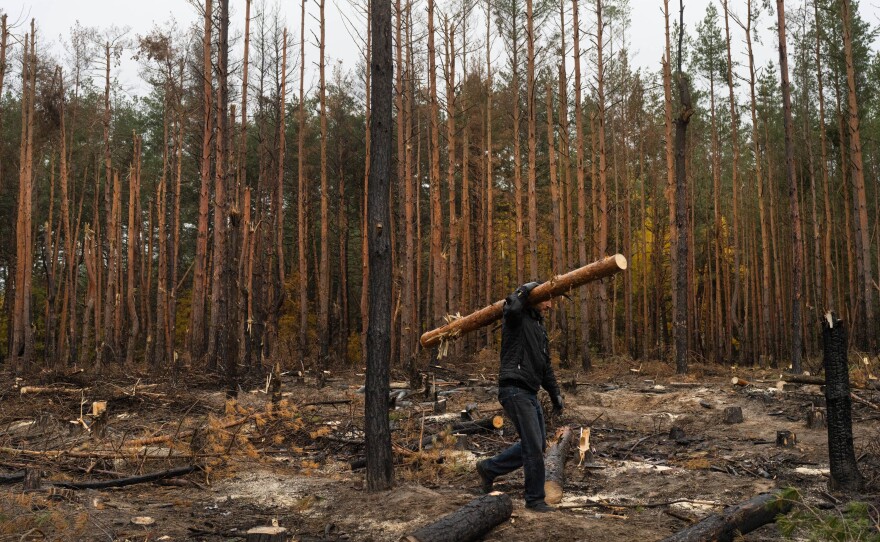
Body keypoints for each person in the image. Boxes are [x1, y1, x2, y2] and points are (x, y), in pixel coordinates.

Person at [476, 281, 564, 512]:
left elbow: (545, 367)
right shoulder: (515, 318)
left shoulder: (538, 328)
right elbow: (513, 306)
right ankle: (534, 499)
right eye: (547, 299)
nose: (550, 305)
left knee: (537, 444)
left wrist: (555, 394)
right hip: (513, 389)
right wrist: (525, 289)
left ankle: (489, 468)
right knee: (533, 446)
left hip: (530, 391)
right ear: (536, 298)